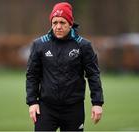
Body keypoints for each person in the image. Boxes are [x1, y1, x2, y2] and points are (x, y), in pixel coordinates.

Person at [26, 2, 104, 131]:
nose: (58, 26)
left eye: (62, 22)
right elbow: (32, 75)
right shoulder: (39, 45)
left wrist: (97, 103)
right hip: (46, 109)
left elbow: (93, 75)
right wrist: (32, 102)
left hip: (73, 109)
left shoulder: (83, 46)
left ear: (70, 23)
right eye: (55, 22)